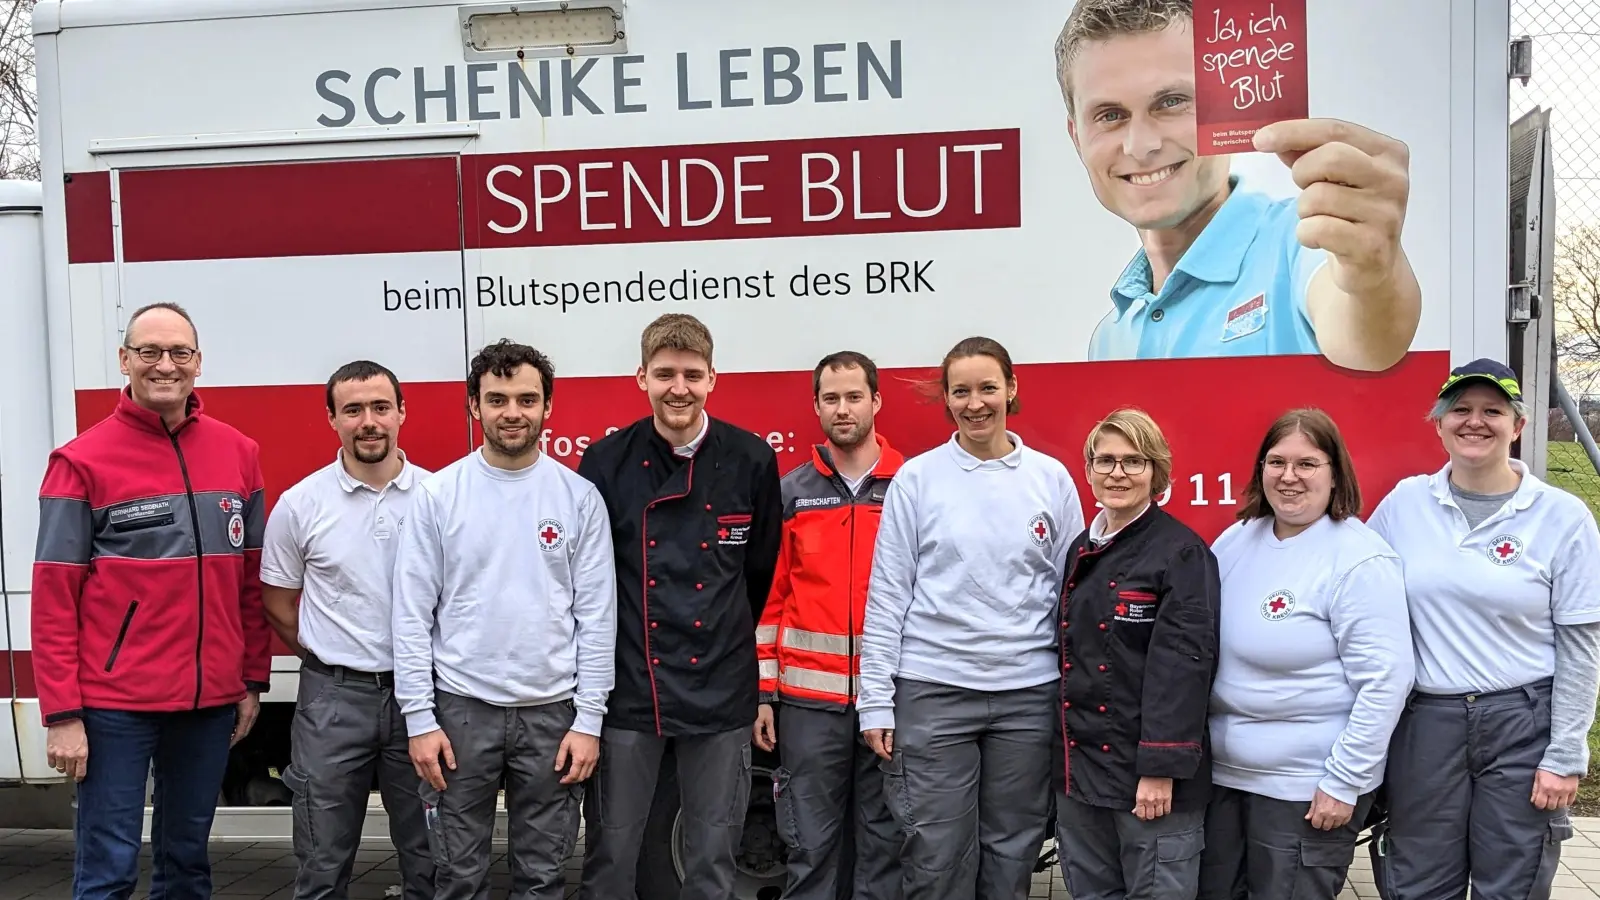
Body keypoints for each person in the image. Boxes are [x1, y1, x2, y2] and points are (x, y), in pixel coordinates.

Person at [31, 301, 271, 900]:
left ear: (198, 362)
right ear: (124, 360)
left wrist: (250, 679)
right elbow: (54, 597)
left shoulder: (239, 452)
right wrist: (62, 714)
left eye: (179, 353)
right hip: (116, 707)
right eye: (149, 352)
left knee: (187, 864)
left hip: (209, 704)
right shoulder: (79, 462)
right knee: (107, 868)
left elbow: (249, 580)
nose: (165, 365)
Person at [1052, 0, 1420, 372]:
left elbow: (1365, 338)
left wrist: (1373, 279)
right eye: (1110, 116)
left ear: (1225, 108)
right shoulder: (1108, 339)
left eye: (1171, 102)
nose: (1141, 145)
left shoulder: (1304, 240)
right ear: (1077, 137)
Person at [858, 335, 1084, 900]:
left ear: (1011, 388)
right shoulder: (918, 479)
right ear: (947, 400)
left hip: (1027, 696)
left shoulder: (1051, 479)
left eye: (988, 387)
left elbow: (1072, 598)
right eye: (960, 391)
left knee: (1012, 851)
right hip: (933, 692)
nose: (975, 402)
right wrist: (875, 700)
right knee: (935, 854)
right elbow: (888, 594)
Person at [392, 339, 617, 900]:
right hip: (461, 711)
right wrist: (420, 719)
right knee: (458, 878)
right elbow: (411, 616)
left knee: (542, 879)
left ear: (548, 408)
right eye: (496, 399)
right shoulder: (438, 496)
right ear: (474, 406)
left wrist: (588, 721)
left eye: (526, 398)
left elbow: (597, 616)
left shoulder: (579, 497)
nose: (512, 412)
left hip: (553, 715)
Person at [1367, 359, 1600, 900]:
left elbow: (1581, 645)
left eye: (1493, 411)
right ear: (1439, 423)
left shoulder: (1561, 517)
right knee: (1418, 880)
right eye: (1461, 410)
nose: (1476, 422)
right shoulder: (1405, 505)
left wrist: (1565, 755)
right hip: (1427, 721)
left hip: (1522, 721)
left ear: (1517, 426)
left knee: (1512, 882)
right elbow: (1357, 594)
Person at [575, 313, 784, 900]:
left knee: (713, 855)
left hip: (721, 686)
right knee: (612, 852)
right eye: (665, 374)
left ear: (713, 378)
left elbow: (759, 573)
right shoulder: (605, 462)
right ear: (641, 377)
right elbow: (592, 580)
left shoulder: (750, 459)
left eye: (692, 374)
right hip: (632, 685)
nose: (679, 388)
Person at [1199, 408, 1413, 899]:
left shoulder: (1360, 559)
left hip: (1305, 786)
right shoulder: (1235, 541)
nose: (1288, 476)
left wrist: (1344, 781)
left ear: (1335, 472)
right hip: (1224, 778)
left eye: (1307, 464)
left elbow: (1387, 680)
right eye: (1276, 462)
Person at [260, 360, 436, 900]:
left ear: (402, 413)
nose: (368, 421)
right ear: (332, 419)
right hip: (332, 700)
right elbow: (278, 602)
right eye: (353, 410)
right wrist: (331, 656)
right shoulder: (300, 505)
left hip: (422, 699)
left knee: (431, 861)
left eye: (381, 407)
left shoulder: (440, 497)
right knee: (321, 861)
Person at [754, 350, 907, 900]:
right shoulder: (791, 492)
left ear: (876, 401)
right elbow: (771, 602)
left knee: (885, 850)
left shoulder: (911, 486)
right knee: (809, 848)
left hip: (887, 699)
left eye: (854, 396)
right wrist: (764, 693)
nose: (843, 409)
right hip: (807, 704)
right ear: (816, 406)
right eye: (831, 398)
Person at [1053, 407, 1219, 900]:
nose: (1117, 473)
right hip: (1081, 775)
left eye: (1134, 461)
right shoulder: (1081, 547)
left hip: (1150, 781)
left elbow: (1183, 669)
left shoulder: (1182, 552)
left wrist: (1160, 769)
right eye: (1105, 461)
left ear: (1157, 472)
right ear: (1088, 470)